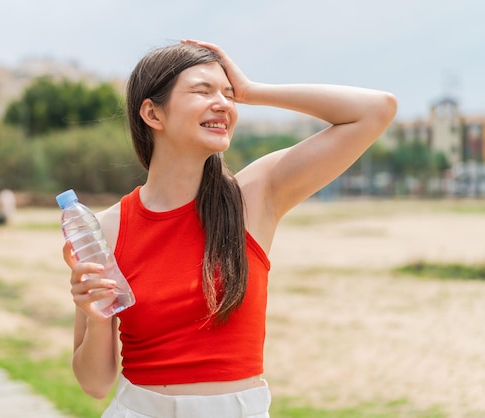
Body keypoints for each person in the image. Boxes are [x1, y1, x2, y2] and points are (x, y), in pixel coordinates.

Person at [63, 39, 397, 417]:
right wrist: (94, 315)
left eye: (228, 93)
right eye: (202, 91)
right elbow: (94, 384)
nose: (223, 103)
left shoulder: (255, 196)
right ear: (153, 115)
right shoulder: (106, 227)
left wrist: (254, 91)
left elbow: (376, 110)